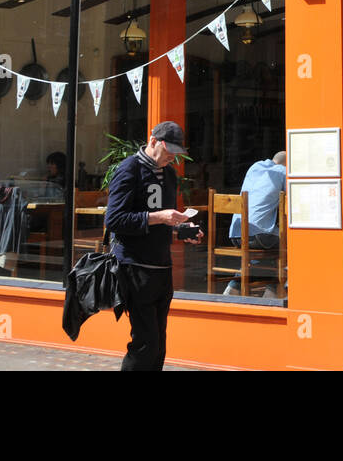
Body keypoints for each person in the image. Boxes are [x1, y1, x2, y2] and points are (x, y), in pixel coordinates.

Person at [104, 120, 201, 371]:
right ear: (153, 141)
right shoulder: (129, 170)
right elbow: (114, 219)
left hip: (161, 266)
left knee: (159, 342)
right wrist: (159, 217)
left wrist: (182, 229)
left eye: (176, 152)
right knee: (146, 342)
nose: (172, 156)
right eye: (168, 150)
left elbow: (164, 217)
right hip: (135, 267)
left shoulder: (168, 173)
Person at [224, 151, 287, 297]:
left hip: (236, 234)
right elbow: (291, 195)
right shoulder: (283, 171)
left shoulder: (255, 166)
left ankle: (233, 288)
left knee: (257, 254)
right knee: (288, 247)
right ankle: (272, 291)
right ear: (287, 164)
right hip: (258, 236)